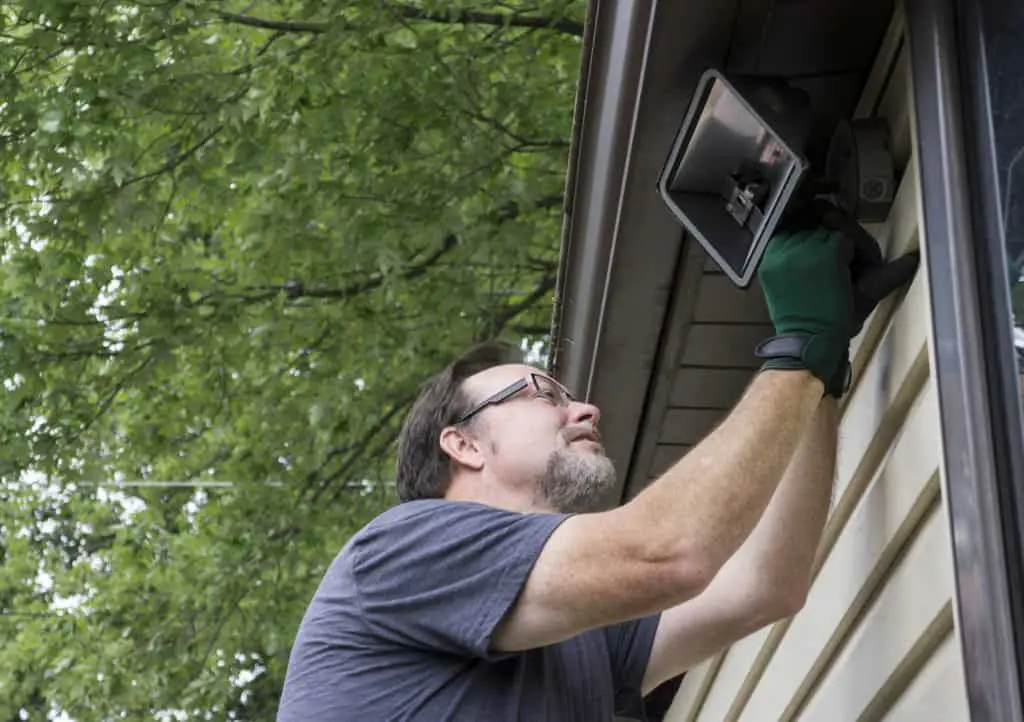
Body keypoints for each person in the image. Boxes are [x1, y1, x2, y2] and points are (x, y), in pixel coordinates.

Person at [276, 211, 918, 721]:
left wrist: (819, 376)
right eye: (543, 394)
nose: (583, 409)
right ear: (463, 446)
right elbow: (669, 553)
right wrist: (797, 347)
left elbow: (763, 587)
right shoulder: (403, 551)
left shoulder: (574, 632)